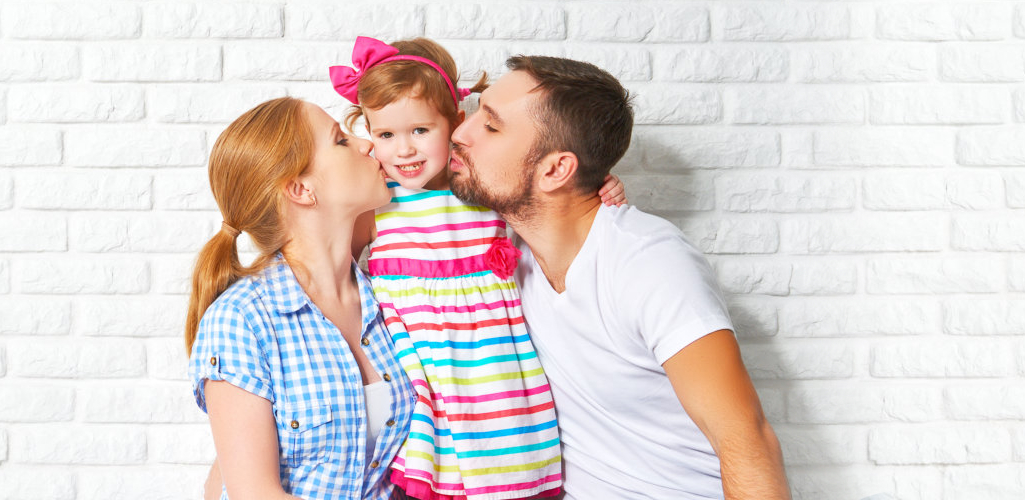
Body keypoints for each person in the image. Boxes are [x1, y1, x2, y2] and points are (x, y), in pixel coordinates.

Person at [445, 55, 791, 499]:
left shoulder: (648, 262)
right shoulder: (498, 256)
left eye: (491, 126)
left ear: (555, 170)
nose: (461, 132)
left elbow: (747, 441)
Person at [329, 36, 627, 500]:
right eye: (385, 135)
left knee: (507, 463)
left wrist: (596, 187)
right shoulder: (379, 204)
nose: (404, 150)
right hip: (421, 372)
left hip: (495, 367)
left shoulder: (485, 190)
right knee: (430, 467)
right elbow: (332, 270)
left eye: (420, 131)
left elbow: (553, 207)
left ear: (456, 122)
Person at [186, 97, 416, 500]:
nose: (366, 144)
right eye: (341, 141)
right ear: (300, 188)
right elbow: (254, 495)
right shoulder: (242, 320)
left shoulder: (394, 299)